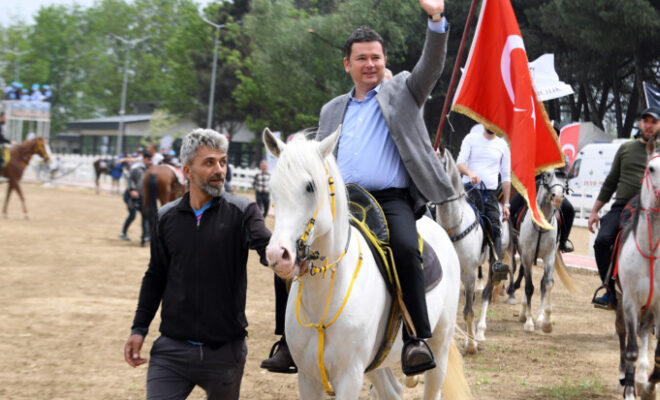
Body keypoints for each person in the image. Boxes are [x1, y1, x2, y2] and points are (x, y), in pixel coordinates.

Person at [307, 0, 453, 376]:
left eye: (375, 57)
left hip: (390, 200)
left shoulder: (403, 91)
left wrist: (436, 19)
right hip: (342, 201)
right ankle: (286, 340)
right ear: (347, 64)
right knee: (295, 249)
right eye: (361, 58)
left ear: (384, 60)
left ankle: (417, 338)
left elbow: (432, 66)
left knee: (406, 248)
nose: (369, 63)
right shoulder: (330, 109)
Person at [124, 128, 272, 399]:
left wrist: (283, 259)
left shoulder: (243, 211)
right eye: (209, 163)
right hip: (170, 350)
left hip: (225, 353)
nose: (219, 170)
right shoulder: (165, 217)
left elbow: (268, 249)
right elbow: (155, 275)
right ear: (187, 171)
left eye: (223, 162)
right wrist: (139, 328)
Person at [588, 107, 660, 310]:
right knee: (602, 241)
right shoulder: (626, 149)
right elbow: (611, 181)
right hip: (624, 204)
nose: (649, 125)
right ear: (640, 124)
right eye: (645, 121)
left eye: (653, 122)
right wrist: (595, 210)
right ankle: (609, 289)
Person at [456, 123, 511, 276]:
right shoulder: (470, 139)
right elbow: (459, 163)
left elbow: (506, 177)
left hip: (490, 194)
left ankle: (497, 266)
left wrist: (506, 204)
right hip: (468, 191)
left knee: (496, 226)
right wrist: (470, 173)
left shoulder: (502, 145)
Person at [509, 171, 577, 253]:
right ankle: (513, 240)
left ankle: (563, 242)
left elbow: (562, 173)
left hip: (553, 188)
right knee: (511, 208)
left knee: (569, 210)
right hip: (531, 185)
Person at [120, 151, 152, 243]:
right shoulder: (136, 168)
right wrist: (132, 190)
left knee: (145, 215)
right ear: (144, 159)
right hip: (131, 196)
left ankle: (146, 236)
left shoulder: (150, 169)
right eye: (149, 160)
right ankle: (123, 233)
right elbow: (130, 179)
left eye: (151, 160)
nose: (150, 162)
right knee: (132, 215)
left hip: (142, 197)